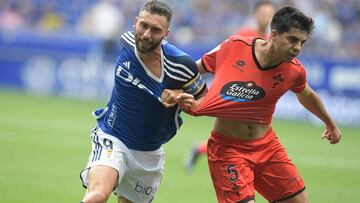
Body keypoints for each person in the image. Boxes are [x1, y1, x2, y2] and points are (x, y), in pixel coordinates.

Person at [169, 6, 342, 203]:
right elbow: (193, 70)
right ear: (274, 35)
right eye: (292, 40)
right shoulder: (235, 45)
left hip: (268, 148)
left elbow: (307, 95)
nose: (297, 48)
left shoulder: (295, 71)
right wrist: (178, 92)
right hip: (228, 150)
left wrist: (330, 123)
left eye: (302, 42)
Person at [79, 1, 207, 203]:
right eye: (144, 26)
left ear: (166, 33)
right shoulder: (127, 41)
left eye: (155, 30)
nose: (147, 34)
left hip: (149, 153)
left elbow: (204, 100)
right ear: (135, 22)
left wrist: (182, 96)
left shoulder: (181, 66)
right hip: (113, 136)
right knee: (97, 195)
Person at [184, 0, 276, 173]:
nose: (266, 18)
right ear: (255, 15)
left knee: (243, 135)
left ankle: (200, 150)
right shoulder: (245, 35)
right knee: (230, 134)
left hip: (254, 98)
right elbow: (229, 59)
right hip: (237, 93)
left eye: (270, 15)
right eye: (263, 14)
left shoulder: (271, 40)